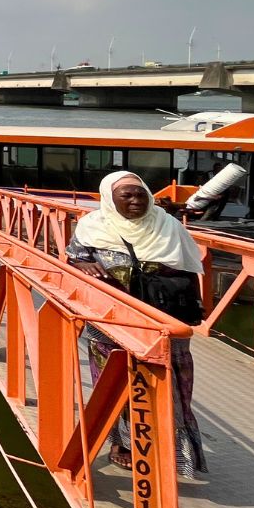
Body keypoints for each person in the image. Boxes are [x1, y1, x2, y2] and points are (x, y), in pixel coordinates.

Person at [67, 170, 207, 477]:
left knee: (169, 384)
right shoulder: (93, 226)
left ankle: (175, 450)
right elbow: (73, 259)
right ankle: (124, 445)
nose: (135, 201)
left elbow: (189, 269)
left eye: (140, 194)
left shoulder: (167, 225)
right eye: (126, 195)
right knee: (115, 381)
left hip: (164, 320)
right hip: (110, 321)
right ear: (109, 198)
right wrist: (83, 264)